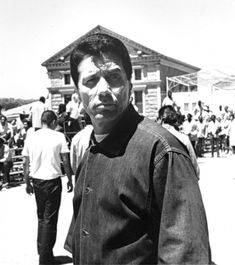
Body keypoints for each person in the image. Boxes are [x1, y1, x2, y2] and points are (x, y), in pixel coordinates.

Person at [65, 33, 212, 264]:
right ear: (76, 92)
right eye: (91, 80)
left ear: (129, 86)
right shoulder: (90, 148)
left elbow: (186, 256)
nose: (103, 89)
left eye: (114, 77)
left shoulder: (161, 151)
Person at [22, 110, 73, 265]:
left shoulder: (31, 137)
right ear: (52, 122)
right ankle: (46, 258)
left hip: (37, 181)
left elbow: (25, 162)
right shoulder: (58, 136)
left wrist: (26, 181)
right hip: (52, 181)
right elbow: (65, 159)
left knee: (41, 217)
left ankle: (42, 251)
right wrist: (70, 179)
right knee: (50, 219)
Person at [158, 105, 200, 178]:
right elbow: (195, 168)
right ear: (175, 120)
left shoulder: (155, 138)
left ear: (161, 119)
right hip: (181, 182)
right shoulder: (184, 139)